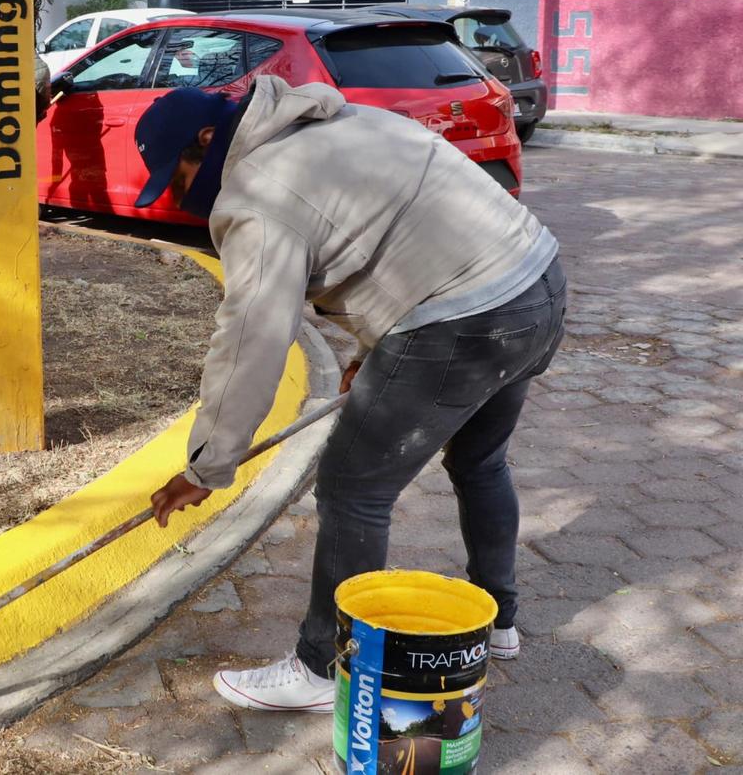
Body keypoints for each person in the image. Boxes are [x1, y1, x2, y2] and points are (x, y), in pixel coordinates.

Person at [136, 76, 566, 712]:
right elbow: (406, 228)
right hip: (536, 286)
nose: (180, 192)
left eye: (180, 171)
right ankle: (499, 624)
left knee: (351, 485)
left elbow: (253, 336)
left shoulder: (258, 192)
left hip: (463, 322)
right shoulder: (346, 120)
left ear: (208, 138)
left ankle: (323, 668)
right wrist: (374, 351)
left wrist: (210, 464)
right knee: (480, 461)